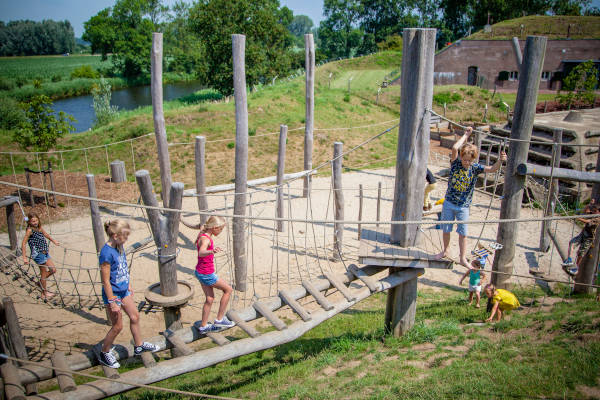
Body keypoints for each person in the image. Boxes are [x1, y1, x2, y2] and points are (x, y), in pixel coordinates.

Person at [434, 127, 507, 267]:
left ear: (473, 159)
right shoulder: (455, 164)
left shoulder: (475, 168)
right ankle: (445, 251)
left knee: (463, 233)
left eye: (469, 160)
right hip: (449, 202)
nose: (466, 162)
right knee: (446, 229)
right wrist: (466, 135)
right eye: (464, 159)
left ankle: (462, 258)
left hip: (463, 206)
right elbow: (455, 147)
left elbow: (492, 169)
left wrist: (500, 160)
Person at [98, 219, 158, 369]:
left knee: (134, 316)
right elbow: (105, 281)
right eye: (125, 236)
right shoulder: (106, 254)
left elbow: (123, 267)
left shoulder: (120, 247)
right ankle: (104, 352)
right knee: (117, 326)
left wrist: (128, 283)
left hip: (123, 289)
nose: (127, 239)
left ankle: (139, 345)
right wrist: (112, 301)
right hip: (113, 294)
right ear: (116, 235)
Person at [192, 216, 235, 334]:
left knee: (210, 299)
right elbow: (201, 252)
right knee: (228, 290)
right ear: (214, 228)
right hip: (206, 273)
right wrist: (212, 251)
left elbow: (203, 225)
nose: (220, 232)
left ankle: (203, 326)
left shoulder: (203, 232)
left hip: (200, 271)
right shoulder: (206, 239)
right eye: (220, 229)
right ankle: (219, 319)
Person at [21, 212, 59, 300]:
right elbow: (23, 243)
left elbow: (46, 234)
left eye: (36, 220)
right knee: (43, 273)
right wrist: (24, 257)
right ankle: (44, 293)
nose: (35, 222)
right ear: (29, 222)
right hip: (38, 254)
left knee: (53, 270)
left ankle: (40, 283)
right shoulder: (30, 230)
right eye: (33, 221)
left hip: (45, 253)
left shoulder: (39, 228)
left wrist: (54, 241)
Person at [564, 200, 600, 277]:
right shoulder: (592, 214)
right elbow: (585, 211)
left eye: (595, 211)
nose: (593, 212)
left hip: (589, 238)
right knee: (572, 243)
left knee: (580, 253)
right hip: (583, 234)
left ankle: (576, 267)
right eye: (593, 210)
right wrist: (589, 204)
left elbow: (587, 221)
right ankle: (569, 259)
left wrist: (578, 218)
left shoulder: (597, 219)